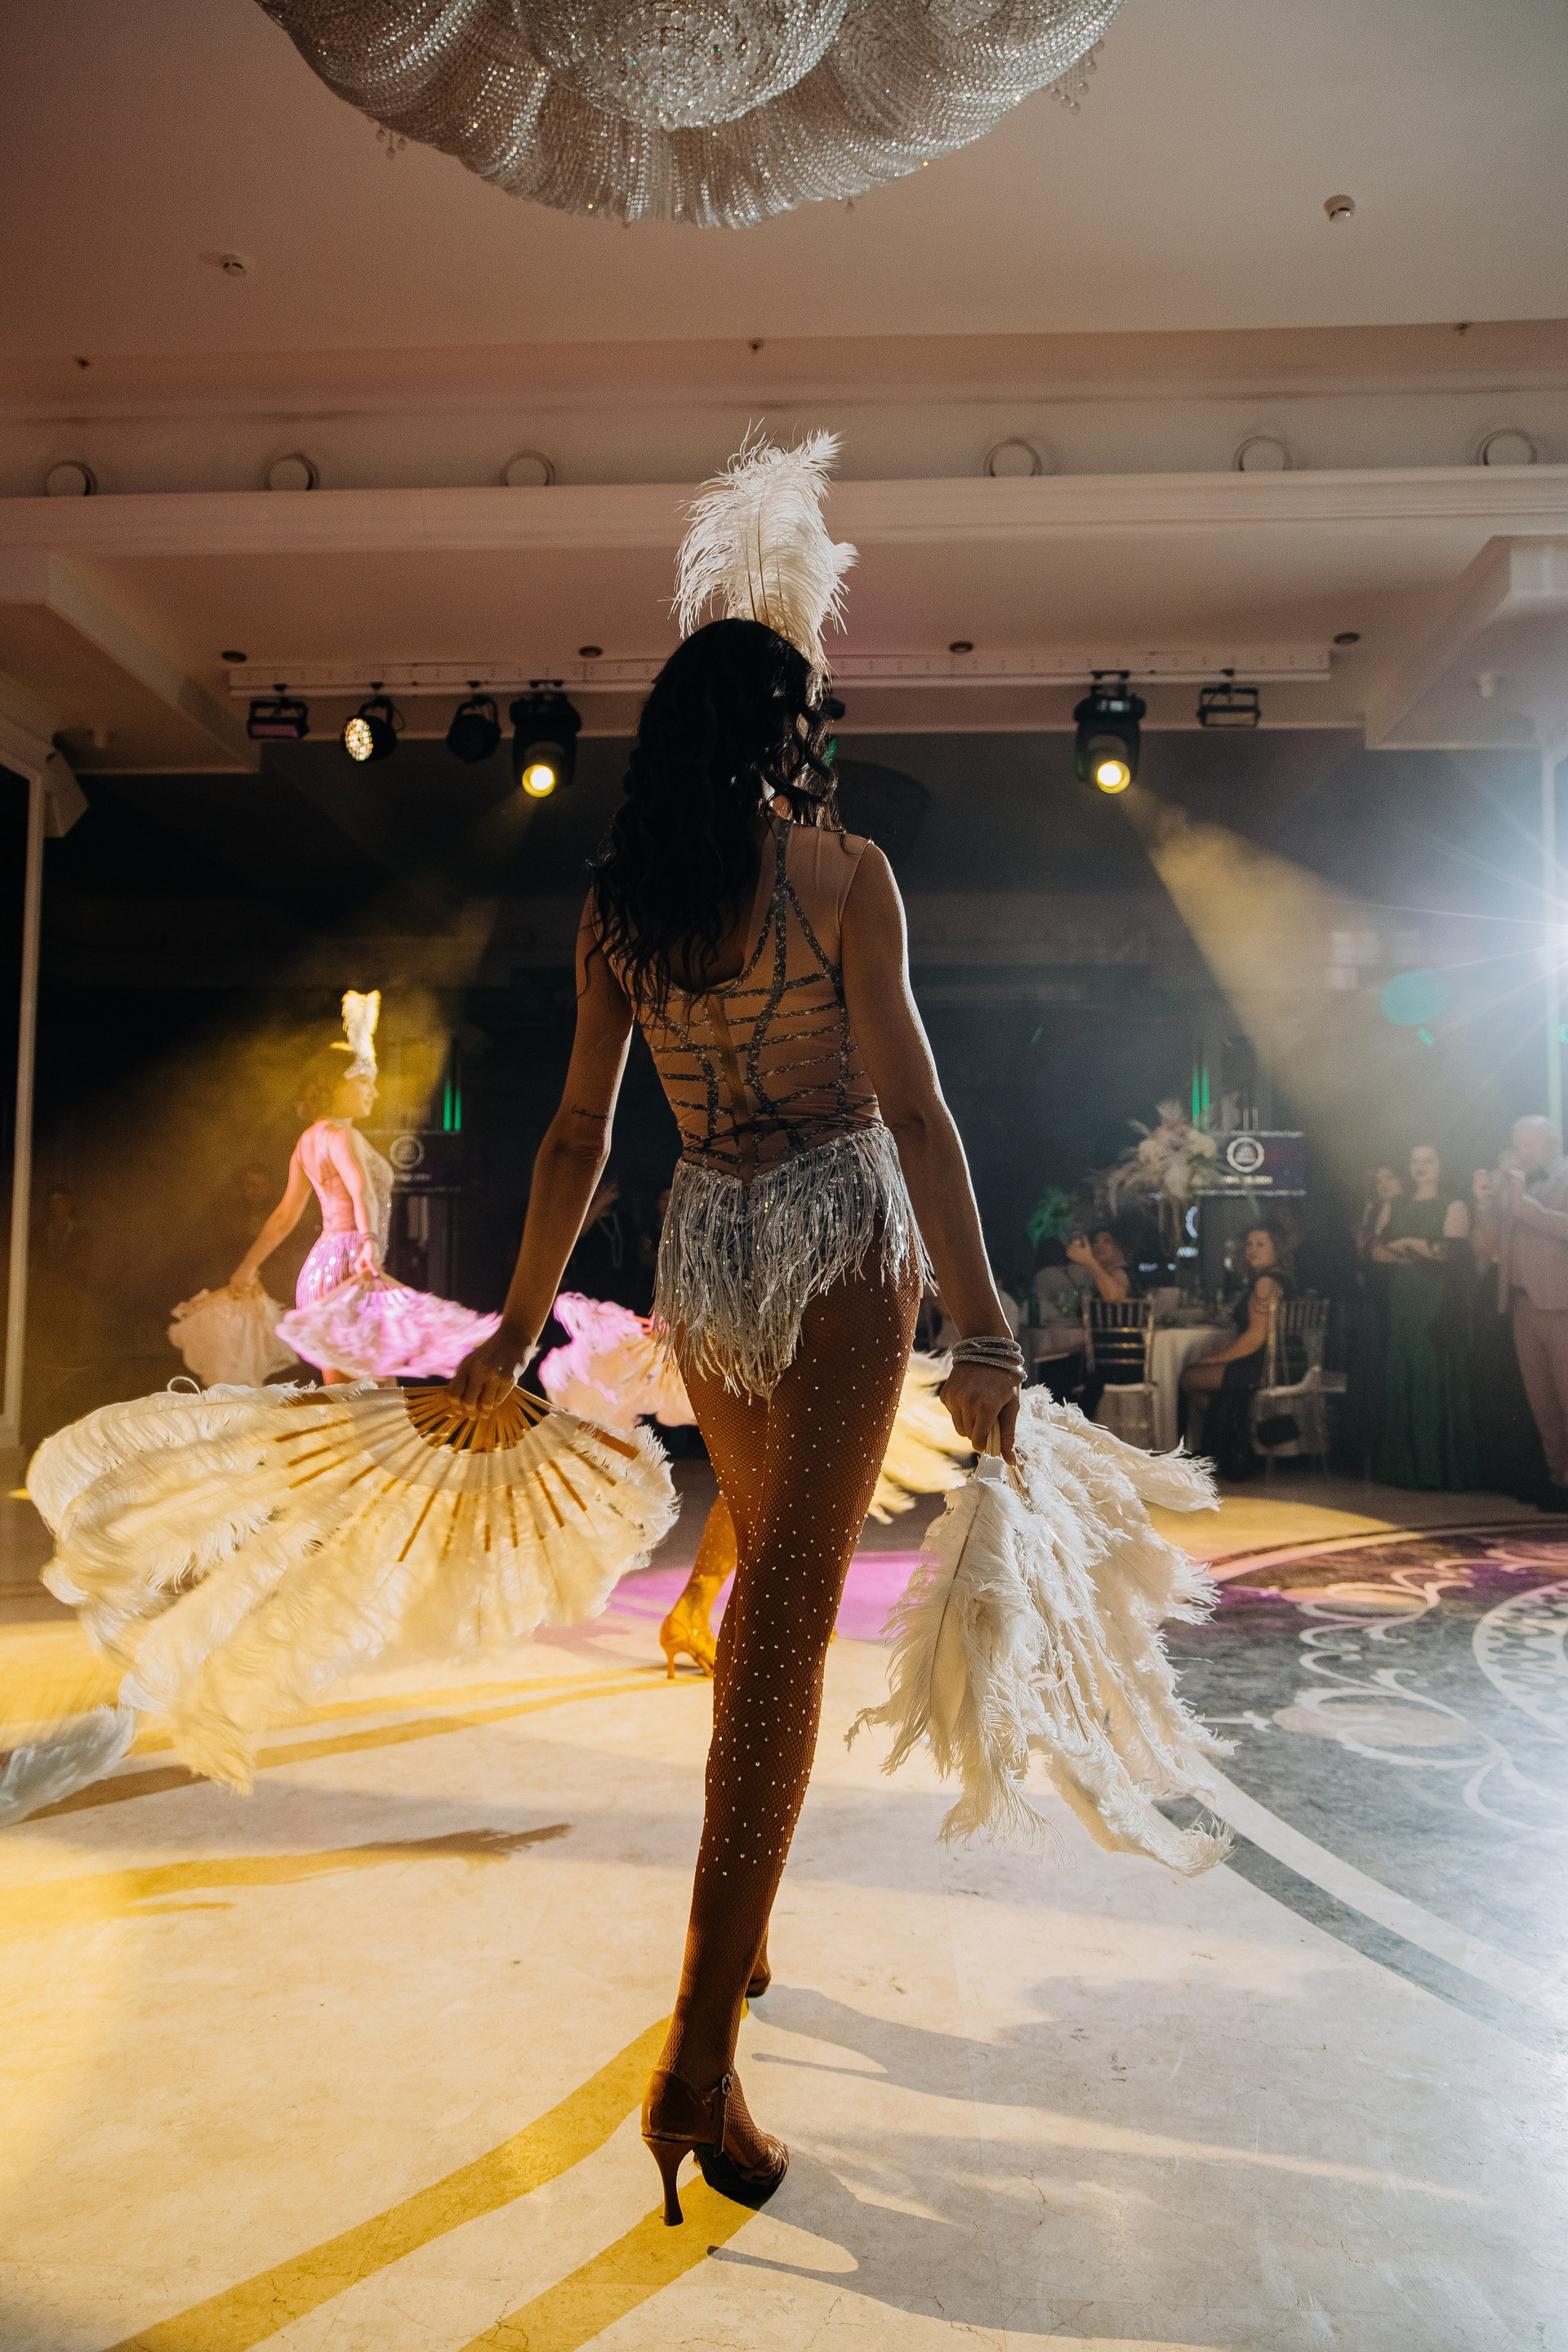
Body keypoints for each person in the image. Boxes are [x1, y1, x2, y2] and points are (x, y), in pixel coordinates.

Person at [446, 603, 1023, 2222]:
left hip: (710, 1245)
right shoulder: (843, 875)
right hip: (837, 1236)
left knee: (768, 1583)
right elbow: (914, 1110)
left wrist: (514, 1330)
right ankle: (696, 2061)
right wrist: (984, 1326)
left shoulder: (619, 906)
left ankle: (740, 1938)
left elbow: (577, 1136)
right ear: (786, 736)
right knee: (783, 1614)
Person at [231, 993, 499, 1382]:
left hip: (322, 1271)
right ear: (336, 1086)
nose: (373, 1092)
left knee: (360, 1394)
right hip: (348, 1264)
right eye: (364, 1083)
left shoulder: (307, 1140)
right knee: (370, 1398)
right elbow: (363, 1192)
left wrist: (248, 1266)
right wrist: (370, 1241)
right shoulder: (343, 1135)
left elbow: (285, 1216)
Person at [1474, 1116, 1568, 1504]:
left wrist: (1522, 1202)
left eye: (1529, 1144)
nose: (1522, 1153)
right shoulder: (1517, 1185)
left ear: (1552, 1143)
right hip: (1521, 1303)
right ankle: (1560, 1481)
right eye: (1518, 1145)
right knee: (1542, 1403)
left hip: (1561, 1304)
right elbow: (1491, 1245)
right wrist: (1487, 1203)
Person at [1372, 1143, 1476, 1491]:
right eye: (1414, 1161)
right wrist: (1411, 1250)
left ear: (1441, 1164)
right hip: (1402, 1297)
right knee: (1403, 1373)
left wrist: (1409, 1242)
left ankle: (1436, 1468)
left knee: (1430, 1372)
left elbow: (1448, 1253)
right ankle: (1404, 1468)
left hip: (1437, 1299)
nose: (1421, 1166)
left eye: (1428, 1160)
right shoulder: (1394, 1204)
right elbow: (1375, 1251)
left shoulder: (1453, 1204)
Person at [1178, 1223, 1292, 1476]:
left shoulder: (1265, 1282)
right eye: (1249, 1244)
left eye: (1261, 1244)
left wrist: (1216, 1359)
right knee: (1204, 1380)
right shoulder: (1283, 1278)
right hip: (1280, 1361)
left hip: (1260, 1364)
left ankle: (1232, 1440)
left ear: (1277, 1249)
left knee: (1189, 1378)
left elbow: (1256, 1337)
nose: (1253, 1249)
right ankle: (1233, 1442)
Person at [1468, 1161, 1549, 1503]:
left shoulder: (1537, 1206)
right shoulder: (1493, 1211)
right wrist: (1484, 1206)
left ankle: (1537, 1475)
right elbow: (1484, 1254)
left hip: (1531, 1300)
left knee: (1528, 1393)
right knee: (1498, 1387)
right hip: (1493, 1305)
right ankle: (1505, 1472)